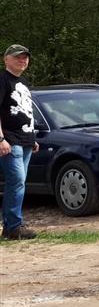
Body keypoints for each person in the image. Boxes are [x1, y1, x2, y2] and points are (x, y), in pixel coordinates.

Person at [1, 44, 38, 240]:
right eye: (17, 57)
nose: (22, 60)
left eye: (25, 57)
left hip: (25, 140)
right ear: (6, 59)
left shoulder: (23, 81)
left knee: (18, 182)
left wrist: (32, 138)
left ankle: (10, 227)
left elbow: (26, 111)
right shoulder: (2, 80)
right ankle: (14, 226)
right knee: (16, 181)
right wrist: (1, 139)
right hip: (10, 139)